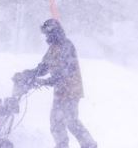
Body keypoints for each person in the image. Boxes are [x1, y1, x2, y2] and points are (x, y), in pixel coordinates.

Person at [23, 19, 97, 148]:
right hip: (60, 91)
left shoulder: (66, 46)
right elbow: (44, 67)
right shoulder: (53, 48)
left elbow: (65, 71)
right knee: (56, 122)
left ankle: (89, 145)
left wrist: (46, 81)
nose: (46, 36)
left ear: (54, 32)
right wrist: (29, 74)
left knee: (71, 121)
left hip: (71, 90)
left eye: (47, 33)